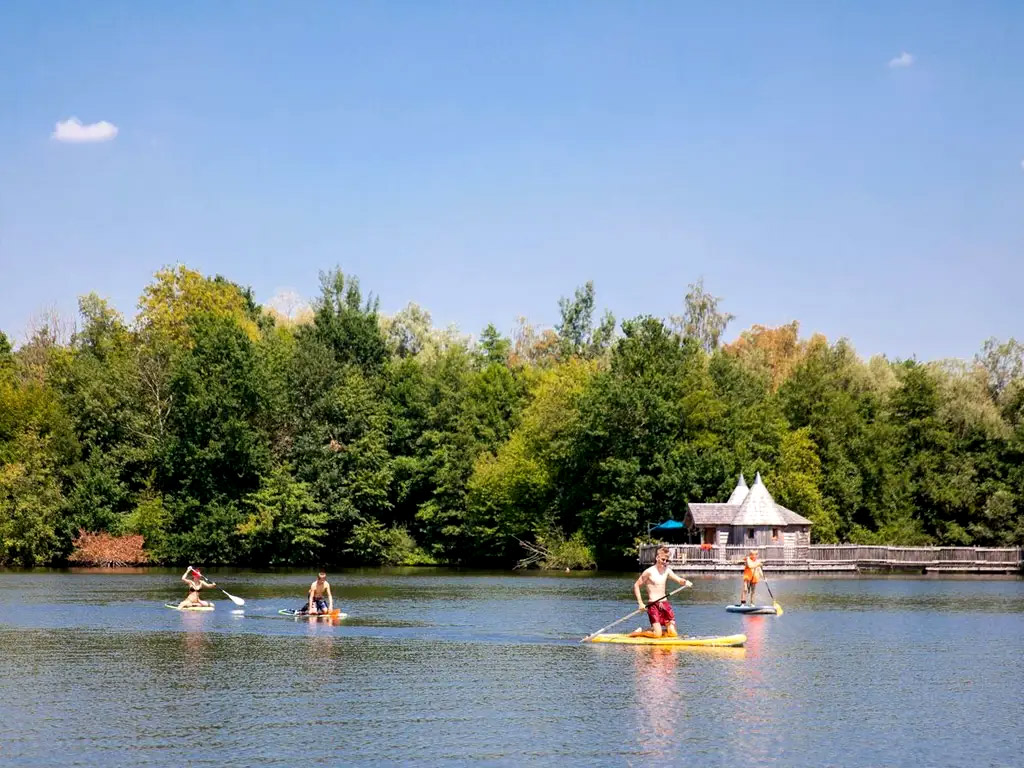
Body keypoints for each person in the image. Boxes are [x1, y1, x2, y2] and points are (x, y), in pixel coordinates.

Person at [631, 546, 692, 638]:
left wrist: (685, 582)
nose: (665, 562)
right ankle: (639, 633)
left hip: (665, 604)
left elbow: (679, 580)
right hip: (653, 605)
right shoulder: (649, 572)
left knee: (673, 634)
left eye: (667, 561)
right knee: (657, 635)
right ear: (657, 558)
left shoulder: (667, 570)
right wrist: (640, 603)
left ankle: (652, 630)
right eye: (663, 559)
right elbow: (636, 585)